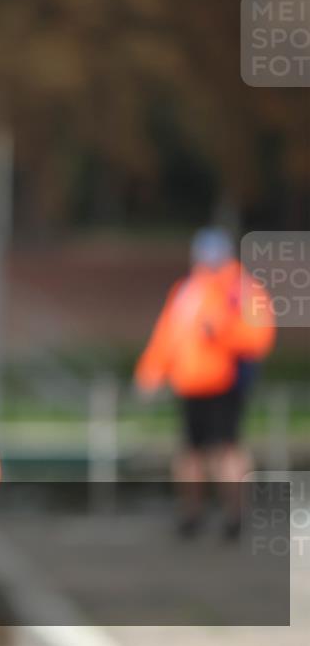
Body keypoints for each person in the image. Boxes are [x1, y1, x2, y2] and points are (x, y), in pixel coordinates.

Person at [135, 227, 275, 539]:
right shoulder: (188, 290)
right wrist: (151, 373)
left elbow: (258, 337)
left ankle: (234, 516)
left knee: (227, 450)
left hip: (225, 383)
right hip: (190, 384)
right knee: (190, 452)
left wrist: (222, 333)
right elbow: (168, 336)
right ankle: (191, 516)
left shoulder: (241, 290)